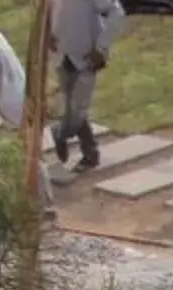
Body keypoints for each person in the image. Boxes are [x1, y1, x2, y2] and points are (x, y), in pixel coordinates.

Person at [49, 0, 124, 176]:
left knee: (77, 110)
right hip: (62, 55)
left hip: (87, 57)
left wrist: (101, 46)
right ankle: (90, 154)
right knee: (73, 108)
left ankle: (59, 132)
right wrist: (48, 35)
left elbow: (117, 13)